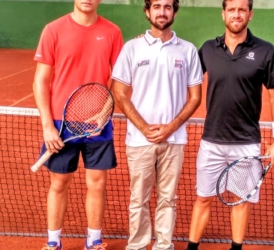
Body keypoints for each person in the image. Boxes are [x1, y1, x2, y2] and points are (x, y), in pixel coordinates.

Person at [185, 0, 274, 250]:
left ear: (250, 14)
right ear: (223, 14)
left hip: (246, 143)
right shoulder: (208, 49)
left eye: (242, 10)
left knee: (241, 202)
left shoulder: (265, 50)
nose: (236, 14)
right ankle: (191, 247)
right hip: (211, 141)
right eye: (231, 9)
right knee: (202, 199)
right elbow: (185, 81)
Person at [111, 0, 203, 249]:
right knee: (138, 199)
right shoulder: (132, 48)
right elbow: (118, 92)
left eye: (168, 7)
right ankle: (138, 246)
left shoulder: (188, 50)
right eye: (157, 6)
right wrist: (143, 127)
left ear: (174, 11)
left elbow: (195, 97)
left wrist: (170, 127)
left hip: (174, 141)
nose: (162, 12)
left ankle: (164, 245)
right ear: (147, 11)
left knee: (168, 199)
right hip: (139, 141)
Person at [32, 0, 123, 249]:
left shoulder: (112, 32)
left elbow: (119, 78)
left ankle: (93, 241)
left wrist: (104, 113)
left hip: (99, 124)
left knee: (97, 184)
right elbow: (40, 81)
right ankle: (53, 242)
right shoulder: (53, 30)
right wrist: (48, 126)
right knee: (59, 184)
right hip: (61, 123)